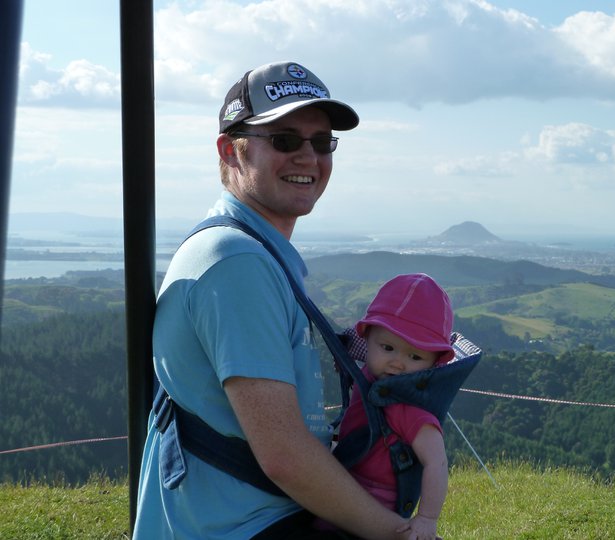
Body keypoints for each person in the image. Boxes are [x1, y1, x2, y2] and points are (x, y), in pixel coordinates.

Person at [133, 61, 414, 539]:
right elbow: (284, 456)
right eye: (284, 139)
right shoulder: (236, 261)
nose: (308, 156)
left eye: (321, 142)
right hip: (243, 527)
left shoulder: (254, 250)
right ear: (230, 151)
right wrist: (397, 532)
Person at [322, 273, 454, 540]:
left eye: (415, 356)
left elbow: (437, 462)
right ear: (368, 339)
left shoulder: (408, 406)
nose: (398, 363)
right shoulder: (372, 375)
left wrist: (427, 518)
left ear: (433, 363)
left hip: (376, 503)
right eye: (388, 348)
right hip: (344, 482)